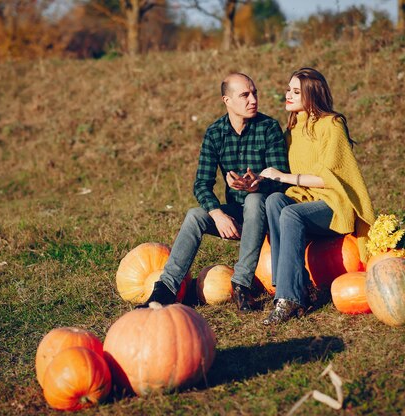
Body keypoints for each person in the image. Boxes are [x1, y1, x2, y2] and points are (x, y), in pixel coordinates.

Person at [138, 73, 289, 312]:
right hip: (237, 216)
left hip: (268, 216)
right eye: (244, 95)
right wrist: (217, 213)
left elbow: (282, 180)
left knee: (254, 199)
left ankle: (242, 285)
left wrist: (258, 183)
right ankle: (165, 289)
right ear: (227, 100)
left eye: (254, 93)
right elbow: (201, 183)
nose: (253, 100)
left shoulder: (269, 128)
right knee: (195, 215)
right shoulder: (215, 133)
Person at [257, 67, 375, 325]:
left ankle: (291, 299)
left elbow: (329, 177)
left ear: (311, 95)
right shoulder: (292, 129)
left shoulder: (332, 125)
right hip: (305, 203)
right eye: (288, 89)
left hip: (333, 205)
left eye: (296, 91)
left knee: (290, 212)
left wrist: (284, 177)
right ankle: (285, 288)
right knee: (275, 201)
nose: (288, 94)